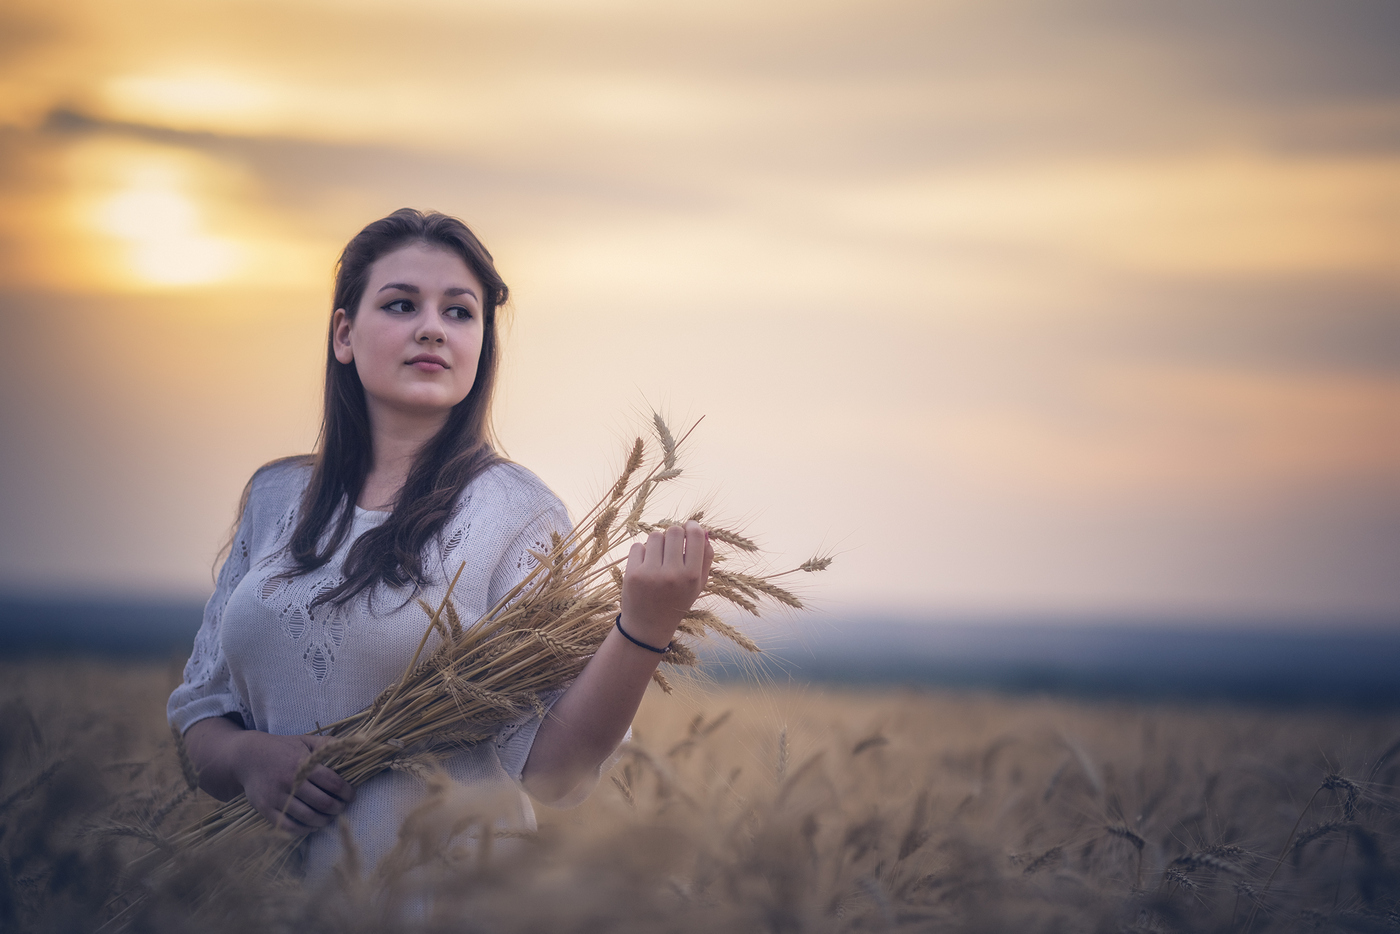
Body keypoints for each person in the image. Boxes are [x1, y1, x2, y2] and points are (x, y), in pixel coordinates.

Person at [168, 208, 712, 876]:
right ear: (344, 333)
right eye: (401, 305)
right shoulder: (276, 498)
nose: (432, 327)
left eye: (460, 313)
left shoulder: (515, 513)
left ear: (481, 344)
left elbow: (554, 774)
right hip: (274, 906)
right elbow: (203, 713)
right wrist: (248, 759)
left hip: (444, 900)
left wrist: (644, 629)